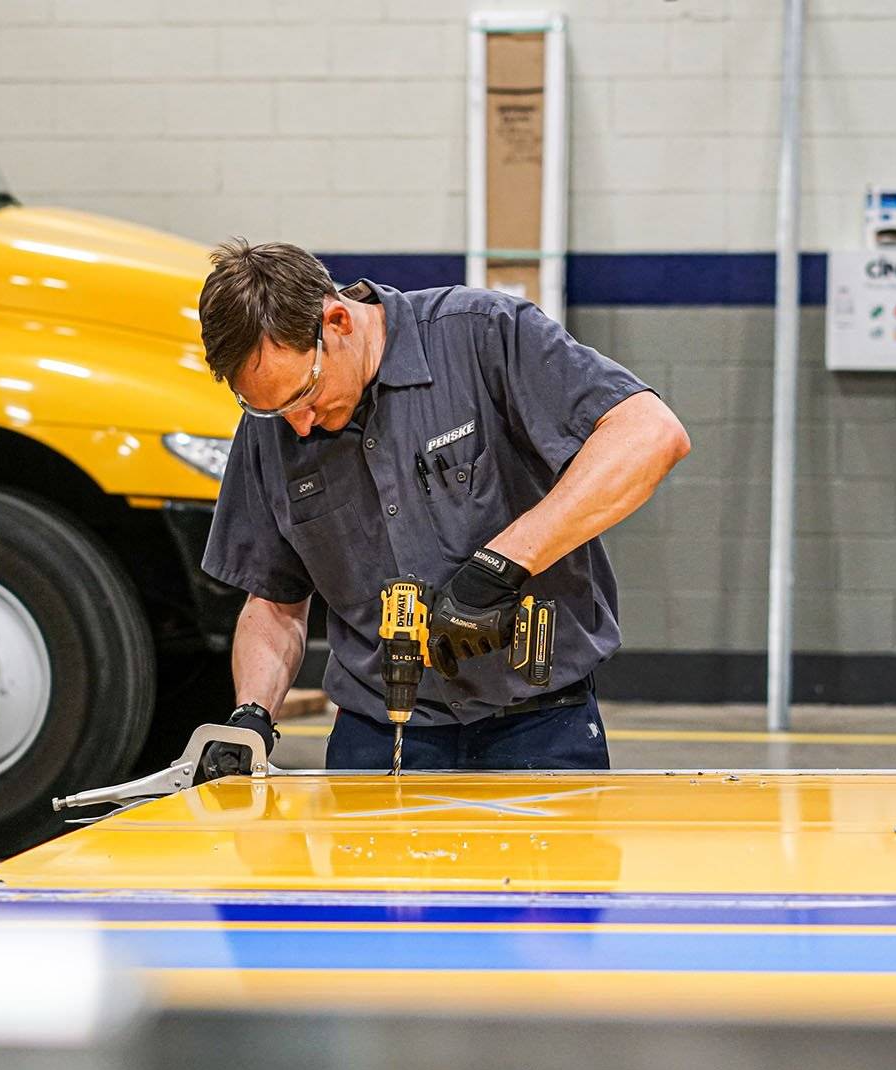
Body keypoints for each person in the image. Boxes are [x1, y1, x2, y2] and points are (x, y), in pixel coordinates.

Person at [196, 239, 689, 770]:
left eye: (305, 394)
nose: (298, 424)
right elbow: (273, 604)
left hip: (538, 722)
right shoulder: (273, 428)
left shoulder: (483, 334)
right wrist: (251, 714)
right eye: (273, 408)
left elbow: (650, 434)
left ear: (337, 321)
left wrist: (499, 567)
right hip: (375, 731)